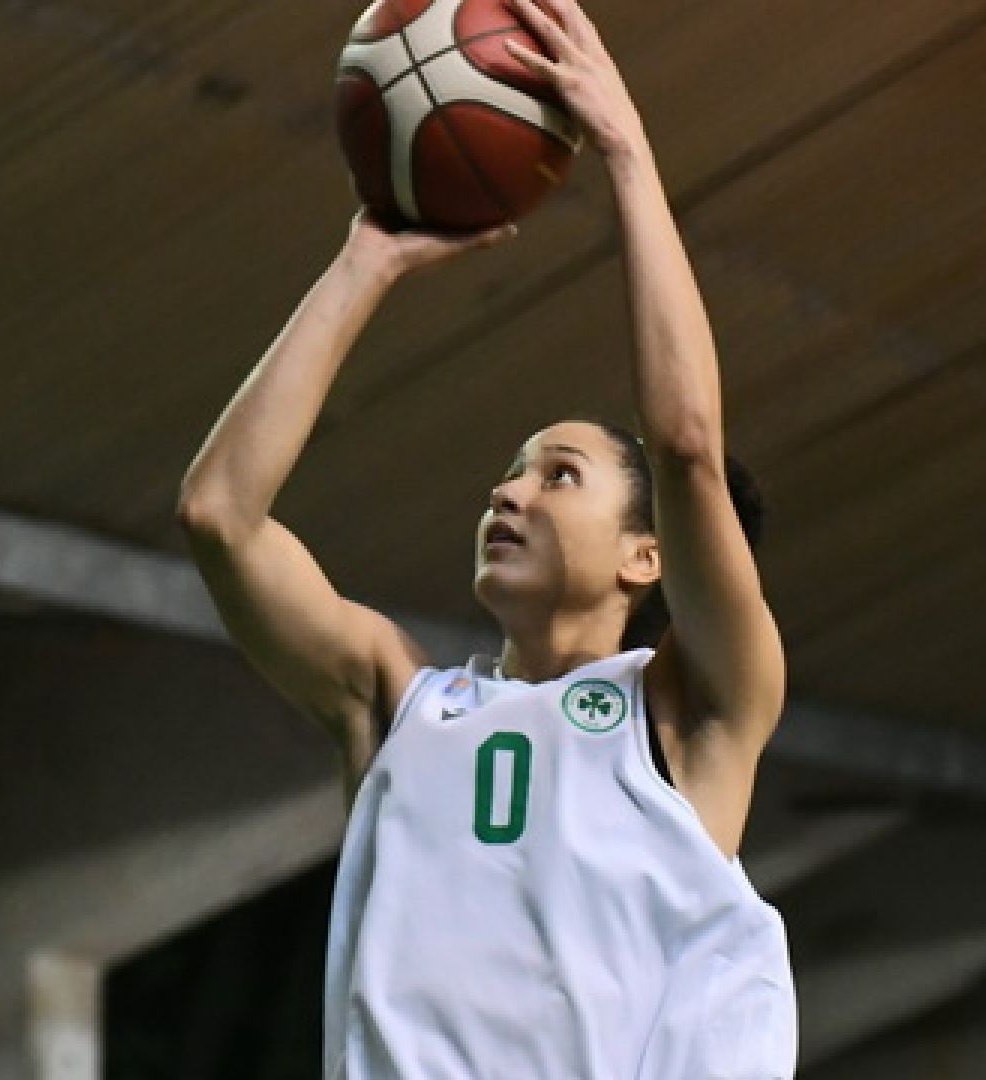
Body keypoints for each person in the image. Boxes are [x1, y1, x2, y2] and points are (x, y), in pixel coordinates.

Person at [176, 0, 797, 1076]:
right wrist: (365, 263)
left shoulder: (692, 711)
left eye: (560, 475)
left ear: (644, 555)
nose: (510, 494)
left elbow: (687, 443)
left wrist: (626, 153)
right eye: (511, 472)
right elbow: (219, 515)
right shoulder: (396, 701)